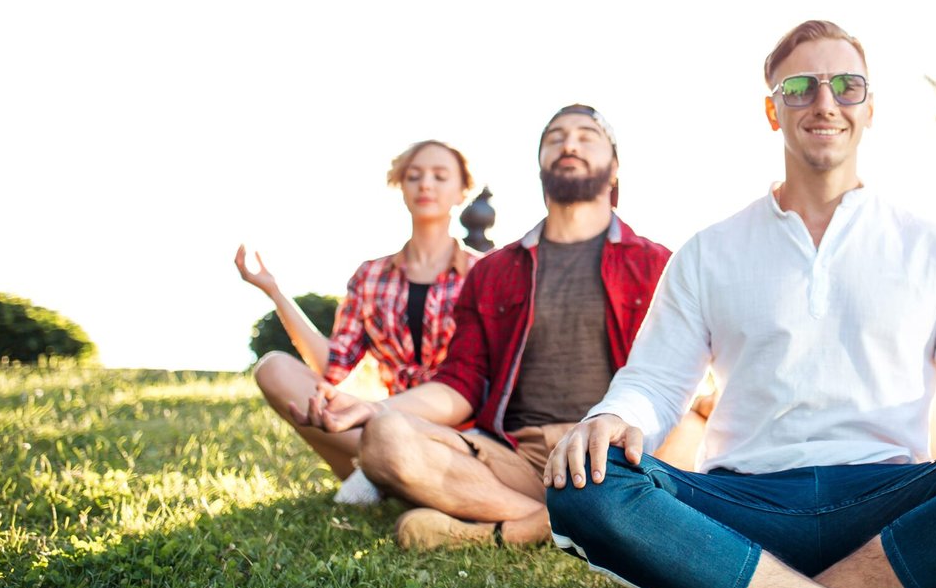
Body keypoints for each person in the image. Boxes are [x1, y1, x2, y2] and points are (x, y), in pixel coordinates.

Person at [543, 21, 936, 588]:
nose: (824, 103)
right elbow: (655, 384)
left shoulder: (932, 245)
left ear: (870, 107)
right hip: (740, 502)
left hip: (890, 500)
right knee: (587, 477)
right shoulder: (707, 250)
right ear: (772, 111)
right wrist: (613, 416)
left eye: (846, 86)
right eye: (799, 87)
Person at [288, 105, 690, 549]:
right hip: (519, 456)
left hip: (617, 455)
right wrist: (378, 410)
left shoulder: (656, 264)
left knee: (694, 429)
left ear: (614, 169)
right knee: (385, 438)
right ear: (540, 164)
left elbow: (677, 378)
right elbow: (460, 384)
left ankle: (507, 528)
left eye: (586, 136)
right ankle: (559, 524)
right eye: (554, 137)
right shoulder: (494, 271)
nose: (569, 144)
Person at [236, 139, 479, 504]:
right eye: (414, 176)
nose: (426, 184)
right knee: (273, 369)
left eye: (440, 176)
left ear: (462, 191)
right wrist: (275, 292)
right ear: (401, 186)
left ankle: (392, 475)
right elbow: (334, 365)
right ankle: (387, 470)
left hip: (464, 432)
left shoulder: (484, 272)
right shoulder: (371, 276)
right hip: (387, 423)